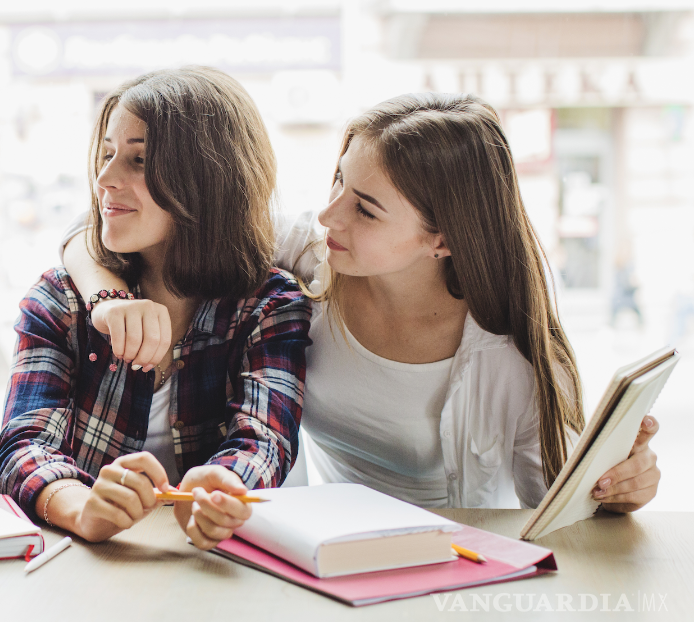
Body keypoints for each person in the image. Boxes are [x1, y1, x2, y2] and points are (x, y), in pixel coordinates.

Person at [63, 93, 661, 513]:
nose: (329, 214)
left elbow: (559, 516)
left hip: (453, 571)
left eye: (365, 207)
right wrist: (106, 297)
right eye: (338, 182)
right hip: (327, 554)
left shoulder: (513, 362)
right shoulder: (309, 255)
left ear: (443, 240)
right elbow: (87, 234)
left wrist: (619, 490)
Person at [0, 67, 312, 549]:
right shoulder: (60, 301)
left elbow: (264, 441)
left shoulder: (268, 305)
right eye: (106, 154)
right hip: (86, 560)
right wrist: (81, 508)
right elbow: (23, 447)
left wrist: (222, 492)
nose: (104, 180)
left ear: (207, 180)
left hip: (215, 562)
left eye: (138, 160)